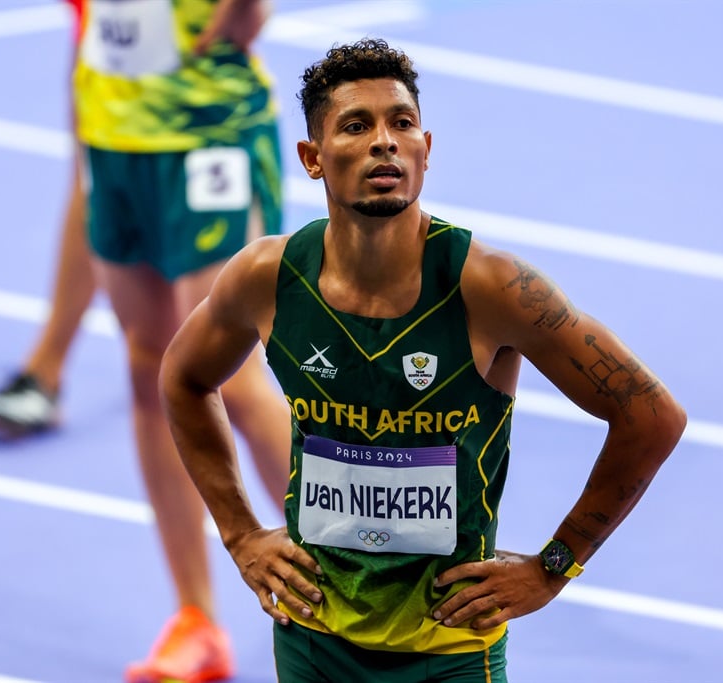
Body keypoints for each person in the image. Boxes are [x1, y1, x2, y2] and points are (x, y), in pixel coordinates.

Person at [158, 38, 688, 682]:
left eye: (401, 123)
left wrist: (555, 566)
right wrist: (240, 533)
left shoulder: (491, 287)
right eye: (356, 126)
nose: (385, 142)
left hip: (451, 651)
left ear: (426, 151)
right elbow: (183, 379)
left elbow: (651, 416)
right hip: (312, 637)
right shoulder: (268, 278)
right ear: (312, 158)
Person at [0, 1, 292, 681]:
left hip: (208, 131)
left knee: (230, 377)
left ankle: (367, 597)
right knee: (153, 369)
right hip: (114, 132)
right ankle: (197, 618)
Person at [0, 0, 90, 438]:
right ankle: (46, 371)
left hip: (190, 72)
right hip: (109, 43)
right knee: (93, 182)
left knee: (225, 385)